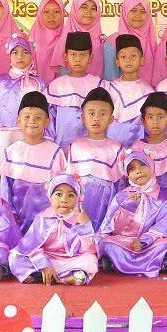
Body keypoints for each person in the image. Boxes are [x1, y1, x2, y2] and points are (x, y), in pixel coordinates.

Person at [98, 148, 167, 277]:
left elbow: (161, 228)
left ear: (151, 166)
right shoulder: (122, 196)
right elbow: (109, 225)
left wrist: (143, 242)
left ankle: (116, 264)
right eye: (132, 169)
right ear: (127, 175)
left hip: (148, 244)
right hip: (123, 242)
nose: (138, 171)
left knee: (166, 244)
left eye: (142, 165)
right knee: (108, 244)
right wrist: (129, 206)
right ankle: (156, 264)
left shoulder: (162, 198)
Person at [9, 174, 98, 285]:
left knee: (91, 260)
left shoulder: (79, 218)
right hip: (48, 258)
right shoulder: (43, 218)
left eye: (71, 195)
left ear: (78, 198)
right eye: (59, 194)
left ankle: (54, 278)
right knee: (14, 257)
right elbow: (29, 246)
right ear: (50, 197)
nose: (64, 200)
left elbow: (88, 249)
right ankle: (59, 276)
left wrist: (85, 226)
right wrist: (44, 264)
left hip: (71, 260)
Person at [0, 91, 66, 232]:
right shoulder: (10, 152)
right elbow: (4, 191)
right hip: (14, 223)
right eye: (27, 117)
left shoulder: (55, 152)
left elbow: (60, 190)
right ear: (18, 120)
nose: (32, 121)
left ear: (47, 121)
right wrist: (10, 218)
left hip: (46, 226)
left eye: (38, 117)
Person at [66, 87, 124, 231]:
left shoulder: (116, 148)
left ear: (111, 119)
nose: (96, 118)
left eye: (102, 114)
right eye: (91, 113)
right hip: (79, 199)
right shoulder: (75, 145)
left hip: (105, 201)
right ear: (83, 117)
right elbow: (68, 180)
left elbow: (121, 185)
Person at [0, 33, 45, 156]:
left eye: (25, 52)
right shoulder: (2, 81)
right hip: (7, 132)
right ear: (9, 56)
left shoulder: (38, 82)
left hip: (32, 131)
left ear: (32, 55)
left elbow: (45, 111)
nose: (20, 56)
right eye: (15, 53)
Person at [47, 31, 102, 151]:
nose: (78, 59)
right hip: (60, 147)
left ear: (90, 58)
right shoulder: (56, 86)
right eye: (73, 55)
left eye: (83, 55)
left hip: (90, 149)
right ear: (65, 57)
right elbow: (50, 121)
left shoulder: (98, 85)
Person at [105, 34, 154, 148]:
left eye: (133, 56)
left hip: (140, 144)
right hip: (112, 143)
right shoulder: (110, 88)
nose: (128, 60)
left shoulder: (149, 91)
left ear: (142, 60)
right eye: (123, 56)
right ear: (117, 62)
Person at [103, 0, 157, 83]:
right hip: (120, 90)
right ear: (125, 12)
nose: (138, 15)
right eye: (133, 10)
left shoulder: (151, 41)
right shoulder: (113, 42)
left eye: (143, 11)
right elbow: (110, 78)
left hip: (149, 89)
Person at [50, 0, 104, 77]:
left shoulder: (103, 41)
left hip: (98, 84)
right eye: (84, 7)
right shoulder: (64, 40)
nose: (88, 12)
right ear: (75, 9)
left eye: (93, 8)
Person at [29, 0, 65, 84]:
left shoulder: (69, 39)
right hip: (35, 88)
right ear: (40, 14)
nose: (51, 16)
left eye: (56, 11)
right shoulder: (30, 40)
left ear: (63, 14)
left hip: (63, 89)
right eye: (46, 12)